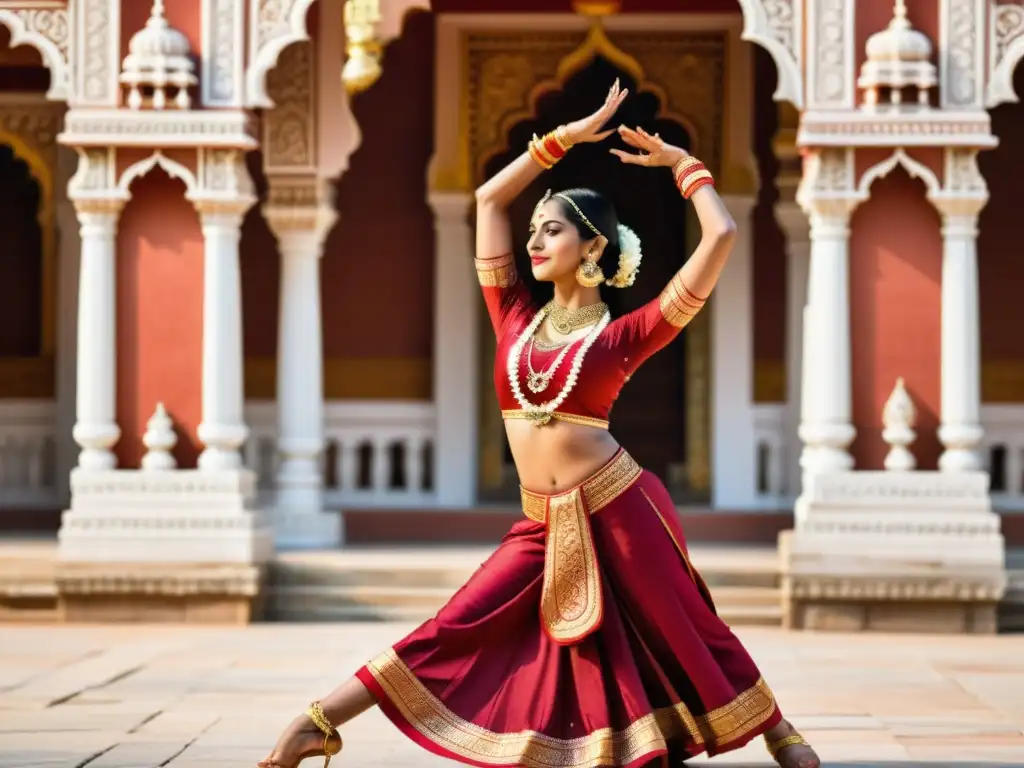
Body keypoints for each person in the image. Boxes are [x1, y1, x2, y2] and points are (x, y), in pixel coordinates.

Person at [258, 80, 821, 768]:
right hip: (541, 519)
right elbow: (488, 199)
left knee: (686, 623)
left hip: (620, 505)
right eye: (534, 230)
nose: (533, 238)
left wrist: (684, 166)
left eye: (550, 228)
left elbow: (723, 233)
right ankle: (319, 721)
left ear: (591, 247)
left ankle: (781, 734)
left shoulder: (626, 335)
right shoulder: (513, 315)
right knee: (454, 623)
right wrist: (560, 142)